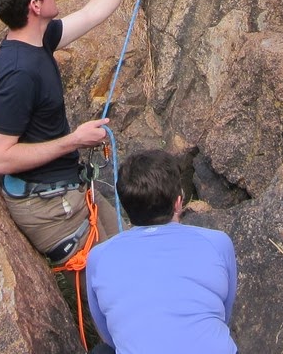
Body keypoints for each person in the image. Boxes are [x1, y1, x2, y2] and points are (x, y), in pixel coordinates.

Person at [0, 0, 161, 262]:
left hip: (67, 189)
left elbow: (93, 13)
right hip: (48, 207)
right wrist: (74, 141)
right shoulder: (18, 73)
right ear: (34, 6)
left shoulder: (39, 39)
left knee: (133, 249)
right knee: (122, 276)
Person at [85, 149, 237, 354]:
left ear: (124, 205)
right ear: (178, 202)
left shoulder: (99, 257)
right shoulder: (218, 243)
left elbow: (109, 335)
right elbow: (224, 315)